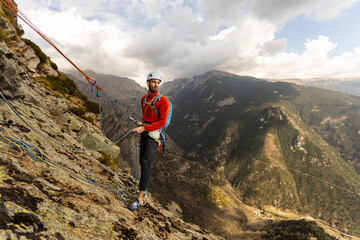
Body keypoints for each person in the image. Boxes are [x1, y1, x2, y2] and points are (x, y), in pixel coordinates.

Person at [127, 71, 170, 211]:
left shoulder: (163, 101)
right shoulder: (144, 99)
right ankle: (142, 190)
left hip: (153, 135)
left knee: (146, 164)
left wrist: (143, 128)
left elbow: (162, 122)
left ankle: (140, 198)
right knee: (141, 161)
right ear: (148, 83)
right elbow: (147, 117)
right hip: (145, 131)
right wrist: (142, 126)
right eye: (153, 82)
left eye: (158, 82)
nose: (156, 85)